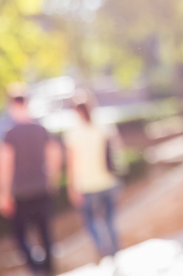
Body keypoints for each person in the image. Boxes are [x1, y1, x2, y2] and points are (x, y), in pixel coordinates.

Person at [0, 86, 62, 276]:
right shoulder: (41, 129)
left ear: (11, 105)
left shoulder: (10, 133)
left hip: (21, 194)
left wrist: (2, 194)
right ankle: (49, 269)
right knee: (45, 235)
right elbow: (55, 153)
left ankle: (36, 268)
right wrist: (51, 178)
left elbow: (4, 166)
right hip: (41, 188)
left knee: (20, 235)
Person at [64, 96, 120, 259]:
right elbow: (116, 151)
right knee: (109, 221)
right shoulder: (104, 127)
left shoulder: (73, 133)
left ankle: (103, 248)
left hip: (87, 185)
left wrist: (71, 187)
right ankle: (114, 252)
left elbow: (71, 165)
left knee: (91, 222)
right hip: (108, 181)